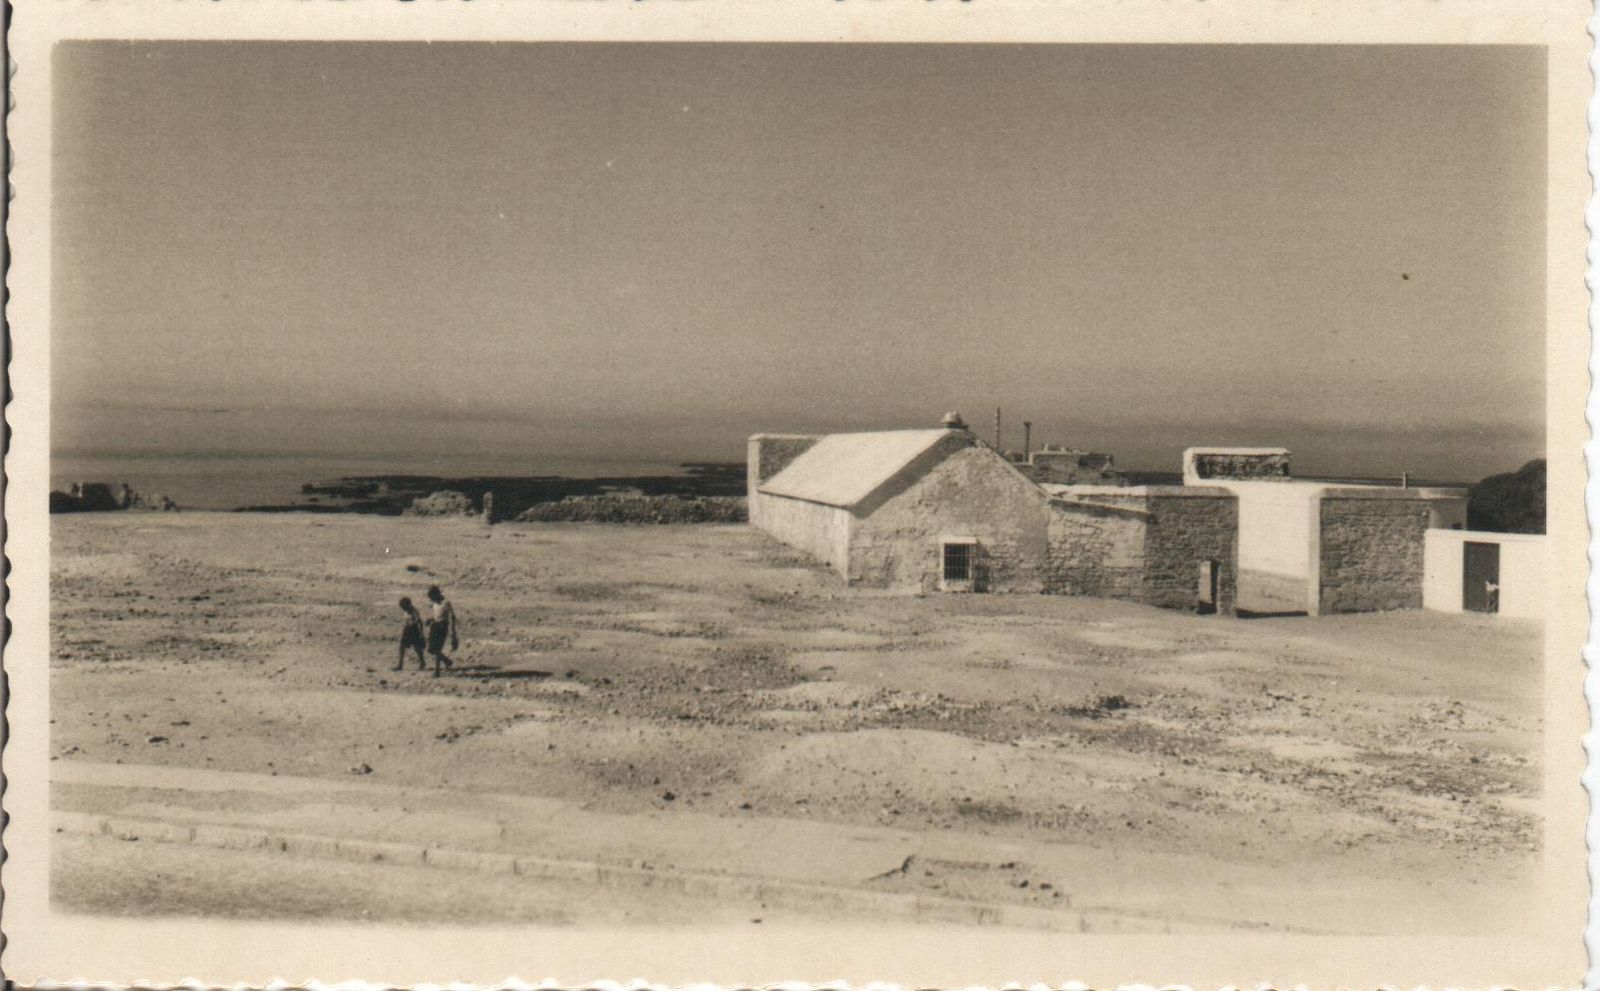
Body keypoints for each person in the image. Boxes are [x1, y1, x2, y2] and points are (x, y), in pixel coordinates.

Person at [424, 584, 459, 677]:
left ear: (436, 594)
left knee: (437, 648)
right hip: (435, 626)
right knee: (431, 649)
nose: (431, 599)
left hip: (442, 627)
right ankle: (447, 661)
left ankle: (437, 671)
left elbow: (452, 617)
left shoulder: (446, 603)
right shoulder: (435, 604)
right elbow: (437, 616)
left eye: (431, 597)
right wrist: (431, 619)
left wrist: (453, 632)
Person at [394, 597, 427, 672]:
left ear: (408, 605)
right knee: (401, 647)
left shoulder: (414, 611)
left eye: (404, 607)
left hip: (414, 631)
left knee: (417, 648)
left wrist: (421, 634)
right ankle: (400, 665)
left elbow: (419, 622)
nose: (403, 609)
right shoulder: (406, 611)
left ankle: (422, 663)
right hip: (407, 631)